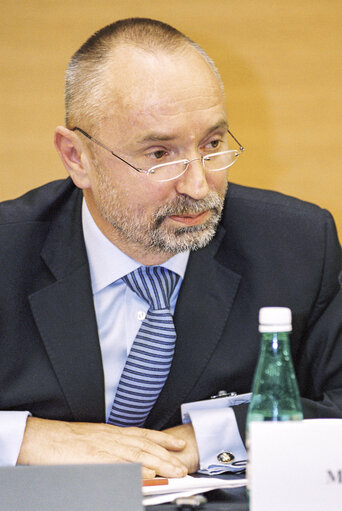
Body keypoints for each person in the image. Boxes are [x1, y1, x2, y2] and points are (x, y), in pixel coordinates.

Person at [1, 18, 342, 478]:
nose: (199, 185)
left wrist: (212, 435)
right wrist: (26, 438)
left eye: (212, 144)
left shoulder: (297, 245)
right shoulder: (8, 249)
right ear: (76, 157)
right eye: (160, 154)